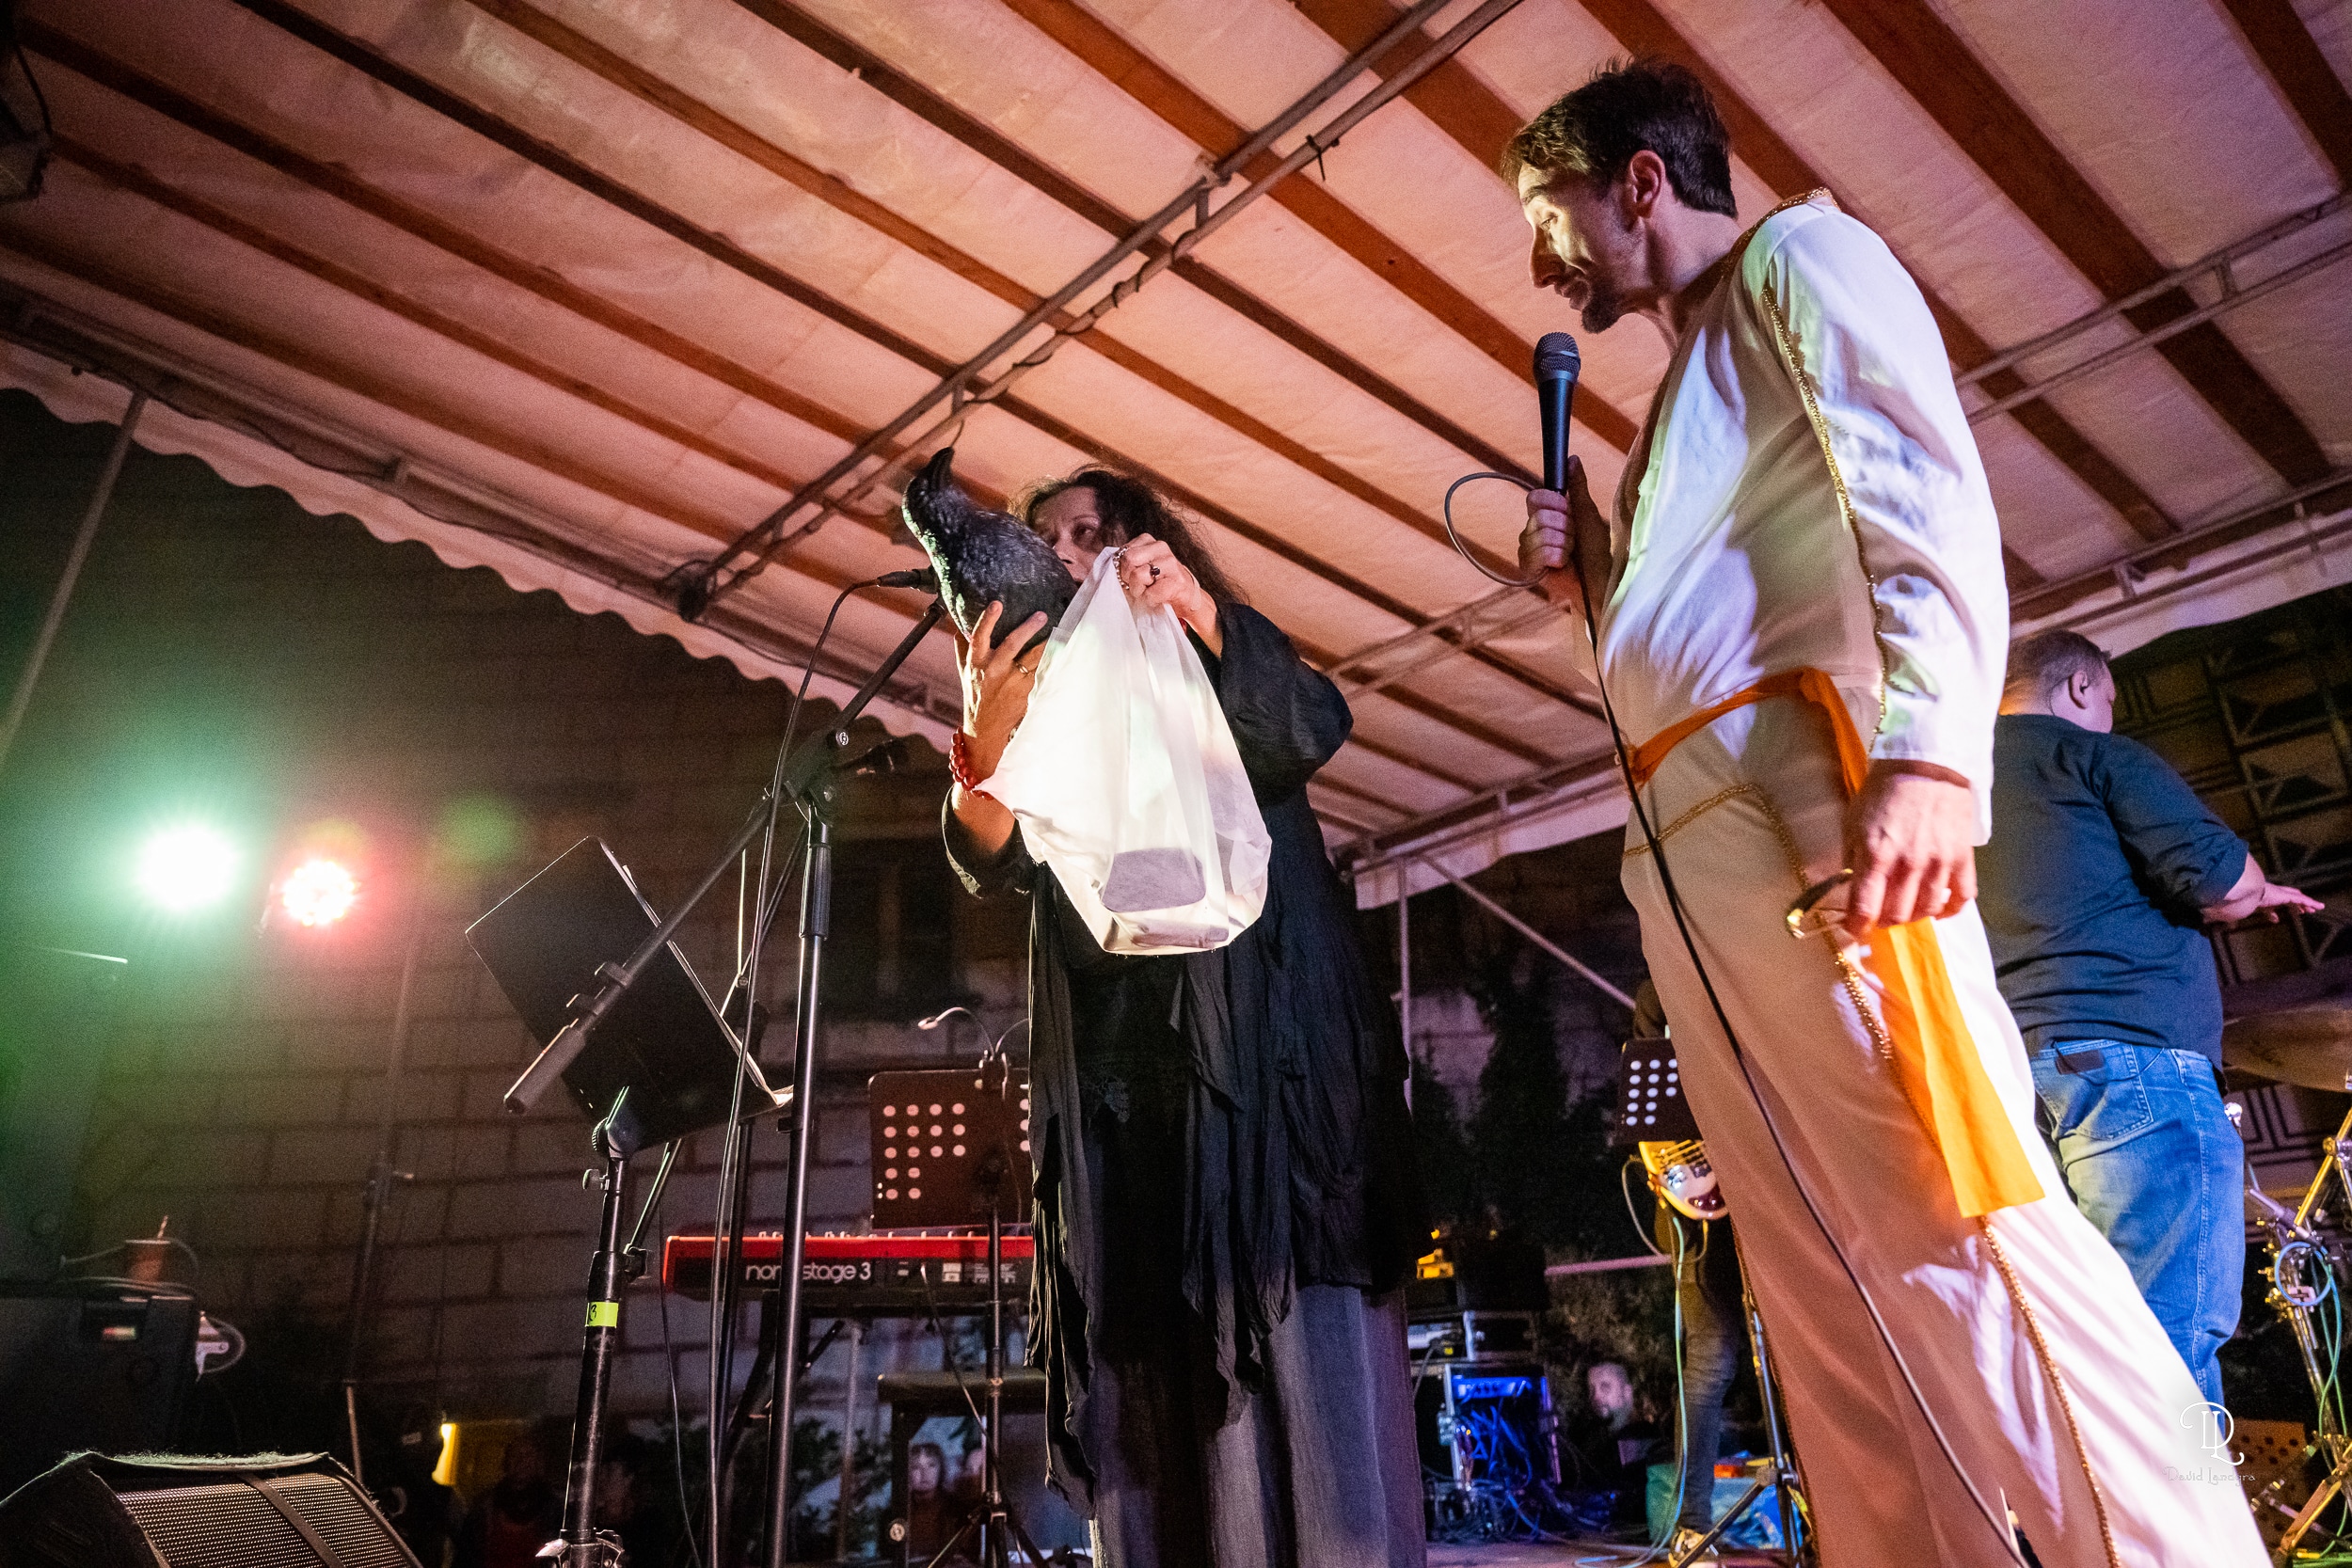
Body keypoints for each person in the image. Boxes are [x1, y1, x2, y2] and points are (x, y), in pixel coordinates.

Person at [1507, 58, 2265, 1565]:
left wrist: (1930, 756)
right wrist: (1591, 571)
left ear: (1642, 182)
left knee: (1965, 1218)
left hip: (1816, 823)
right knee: (1824, 1278)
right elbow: (1683, 645)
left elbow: (1921, 482)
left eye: (1550, 215)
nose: (1542, 263)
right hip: (1706, 871)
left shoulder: (1804, 255)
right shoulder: (1668, 417)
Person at [942, 467, 1425, 1568]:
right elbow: (986, 857)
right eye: (1046, 540)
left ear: (1146, 541)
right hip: (1127, 1103)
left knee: (1298, 1372)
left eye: (1087, 531)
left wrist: (1201, 612)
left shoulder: (1209, 654)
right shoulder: (1041, 705)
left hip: (1269, 1086)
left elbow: (1309, 724)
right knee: (1153, 1372)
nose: (1065, 555)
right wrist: (984, 733)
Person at [1975, 629, 2320, 1407]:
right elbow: (2224, 883)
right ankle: (2192, 1485)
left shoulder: (1955, 781)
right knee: (2173, 1340)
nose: (2105, 713)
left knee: (2076, 1344)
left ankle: (2094, 1494)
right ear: (2080, 686)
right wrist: (2250, 891)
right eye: (2106, 698)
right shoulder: (2095, 755)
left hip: (2017, 1073)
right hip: (2135, 1068)